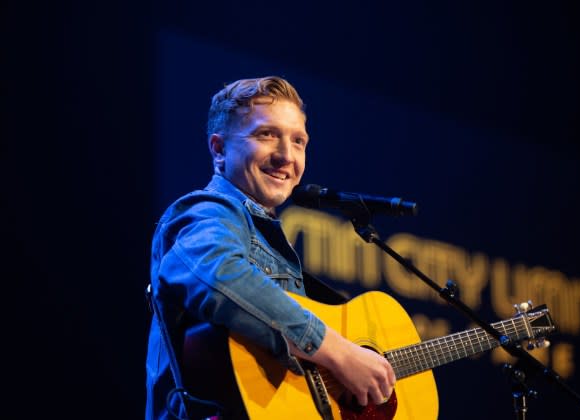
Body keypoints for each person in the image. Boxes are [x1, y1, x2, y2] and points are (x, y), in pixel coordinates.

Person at [145, 76, 395, 419]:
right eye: (266, 135)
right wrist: (340, 353)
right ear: (219, 149)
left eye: (298, 141)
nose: (285, 156)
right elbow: (218, 275)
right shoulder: (208, 211)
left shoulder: (262, 235)